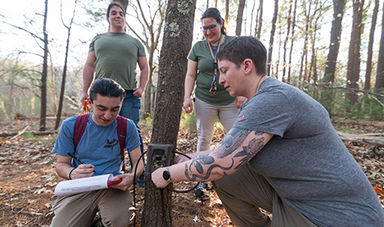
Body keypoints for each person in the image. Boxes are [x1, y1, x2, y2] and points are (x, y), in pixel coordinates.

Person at [152, 37, 384, 226]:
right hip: (298, 199)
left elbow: (220, 163)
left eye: (224, 70)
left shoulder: (272, 100)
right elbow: (229, 151)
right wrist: (180, 160)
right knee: (230, 179)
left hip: (335, 216)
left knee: (223, 171)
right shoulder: (263, 98)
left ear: (246, 65)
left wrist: (166, 174)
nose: (220, 80)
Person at [51, 78, 144, 227]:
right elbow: (61, 165)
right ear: (90, 102)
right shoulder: (72, 126)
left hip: (113, 186)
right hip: (81, 186)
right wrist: (72, 173)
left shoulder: (127, 126)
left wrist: (132, 177)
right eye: (101, 108)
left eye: (115, 109)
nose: (108, 115)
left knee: (119, 221)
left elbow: (139, 162)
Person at [183, 7, 245, 196]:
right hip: (204, 100)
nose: (208, 31)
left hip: (230, 100)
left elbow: (243, 68)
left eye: (212, 26)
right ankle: (202, 180)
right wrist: (187, 96)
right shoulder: (198, 47)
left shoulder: (235, 43)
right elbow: (191, 73)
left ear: (221, 24)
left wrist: (241, 94)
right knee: (204, 139)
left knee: (236, 138)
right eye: (204, 28)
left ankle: (240, 180)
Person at [81, 2, 149, 125]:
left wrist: (142, 88)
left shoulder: (135, 42)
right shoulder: (98, 40)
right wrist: (85, 91)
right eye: (114, 13)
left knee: (131, 132)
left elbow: (144, 67)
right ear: (108, 18)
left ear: (124, 19)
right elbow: (89, 65)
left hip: (128, 95)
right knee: (100, 132)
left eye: (121, 14)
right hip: (101, 94)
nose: (118, 16)